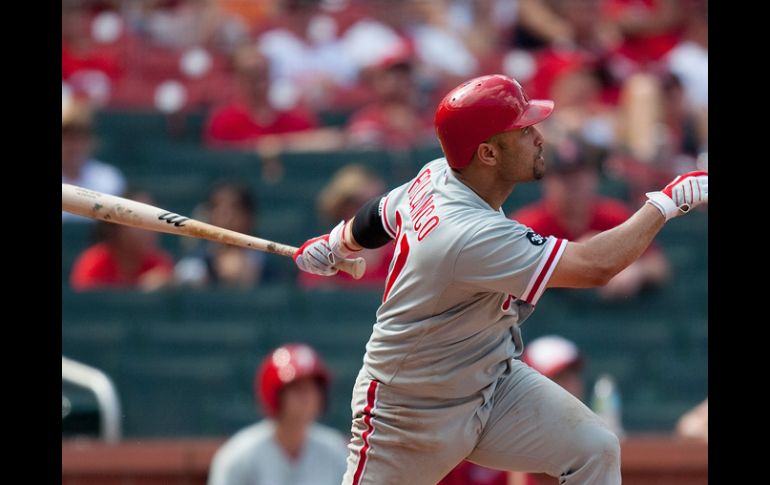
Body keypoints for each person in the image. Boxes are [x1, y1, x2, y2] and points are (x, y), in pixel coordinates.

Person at [292, 74, 707, 484]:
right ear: (488, 154)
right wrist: (665, 204)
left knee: (595, 448)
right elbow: (593, 266)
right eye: (524, 131)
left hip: (491, 381)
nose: (539, 137)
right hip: (409, 412)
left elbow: (381, 213)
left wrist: (338, 244)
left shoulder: (439, 173)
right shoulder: (465, 232)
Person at [510, 134, 670, 300]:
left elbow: (658, 266)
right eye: (563, 177)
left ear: (593, 177)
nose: (572, 185)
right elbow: (507, 274)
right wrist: (580, 258)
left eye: (578, 175)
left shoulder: (615, 216)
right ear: (547, 182)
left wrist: (637, 270)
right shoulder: (526, 225)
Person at [208, 343, 348, 485]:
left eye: (313, 389)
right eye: (298, 389)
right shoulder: (239, 456)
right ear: (275, 395)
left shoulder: (335, 451)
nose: (308, 397)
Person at [175, 181, 277, 288]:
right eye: (217, 207)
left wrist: (250, 275)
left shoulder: (268, 265)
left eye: (234, 207)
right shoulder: (193, 263)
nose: (225, 215)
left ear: (249, 215)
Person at [70, 191, 174, 291]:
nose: (150, 229)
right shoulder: (93, 264)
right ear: (116, 226)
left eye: (155, 220)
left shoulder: (160, 264)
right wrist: (140, 289)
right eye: (141, 220)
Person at [62, 96, 126, 222]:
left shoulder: (108, 178)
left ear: (91, 141)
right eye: (67, 137)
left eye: (82, 137)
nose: (75, 146)